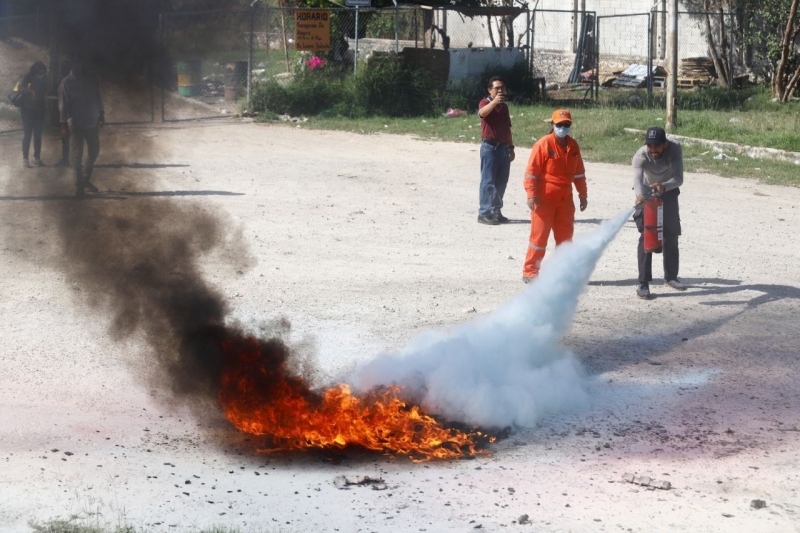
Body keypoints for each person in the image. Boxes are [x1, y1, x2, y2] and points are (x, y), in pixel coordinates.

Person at [522, 109, 588, 282]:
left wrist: (583, 195)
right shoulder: (543, 145)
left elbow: (579, 173)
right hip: (544, 199)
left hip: (565, 200)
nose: (563, 127)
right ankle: (530, 272)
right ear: (552, 124)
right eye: (559, 125)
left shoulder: (573, 146)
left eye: (566, 125)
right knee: (539, 238)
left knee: (565, 238)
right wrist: (531, 194)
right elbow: (531, 173)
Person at [633, 126, 685, 299]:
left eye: (656, 146)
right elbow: (638, 180)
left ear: (665, 144)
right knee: (647, 235)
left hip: (668, 190)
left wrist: (664, 186)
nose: (653, 150)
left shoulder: (675, 148)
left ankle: (671, 277)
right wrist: (641, 196)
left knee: (671, 234)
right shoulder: (641, 155)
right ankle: (643, 283)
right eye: (650, 145)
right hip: (647, 193)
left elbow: (679, 178)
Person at [58, 59, 105, 196]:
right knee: (76, 156)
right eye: (76, 63)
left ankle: (85, 179)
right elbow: (62, 107)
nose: (80, 65)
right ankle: (79, 185)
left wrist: (101, 113)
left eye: (81, 63)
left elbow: (98, 97)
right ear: (72, 65)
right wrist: (63, 126)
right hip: (76, 124)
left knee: (94, 152)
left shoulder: (91, 79)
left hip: (92, 122)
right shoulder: (66, 83)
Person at [477, 76, 515, 225]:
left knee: (501, 182)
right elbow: (482, 113)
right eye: (497, 88)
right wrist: (494, 102)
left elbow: (507, 128)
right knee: (488, 181)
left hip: (503, 148)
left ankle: (495, 211)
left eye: (503, 88)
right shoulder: (485, 103)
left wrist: (511, 147)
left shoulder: (504, 107)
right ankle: (484, 213)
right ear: (489, 89)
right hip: (490, 148)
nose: (500, 91)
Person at [14, 61, 48, 168]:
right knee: (27, 134)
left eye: (43, 72)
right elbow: (19, 88)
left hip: (39, 110)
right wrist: (31, 91)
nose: (41, 74)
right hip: (27, 110)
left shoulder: (44, 79)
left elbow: (46, 90)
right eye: (40, 72)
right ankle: (25, 159)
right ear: (35, 71)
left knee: (38, 135)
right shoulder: (27, 77)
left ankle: (37, 158)